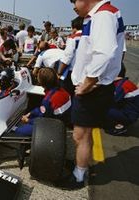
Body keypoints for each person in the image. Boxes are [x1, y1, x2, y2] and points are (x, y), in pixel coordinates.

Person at [56, 0, 125, 189]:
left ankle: (79, 175)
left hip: (92, 90)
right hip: (94, 87)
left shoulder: (103, 15)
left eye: (74, 0)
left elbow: (104, 53)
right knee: (82, 133)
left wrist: (88, 82)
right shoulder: (97, 16)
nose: (73, 5)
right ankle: (81, 165)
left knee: (81, 135)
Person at [15, 67, 71, 136]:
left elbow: (43, 120)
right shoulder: (63, 90)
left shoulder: (48, 100)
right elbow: (45, 110)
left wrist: (28, 120)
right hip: (64, 120)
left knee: (19, 131)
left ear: (41, 82)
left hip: (53, 125)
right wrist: (31, 113)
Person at [58, 16, 83, 96]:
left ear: (74, 27)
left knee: (67, 95)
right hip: (85, 72)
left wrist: (59, 72)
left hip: (72, 72)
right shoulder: (89, 36)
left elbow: (67, 57)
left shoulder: (73, 38)